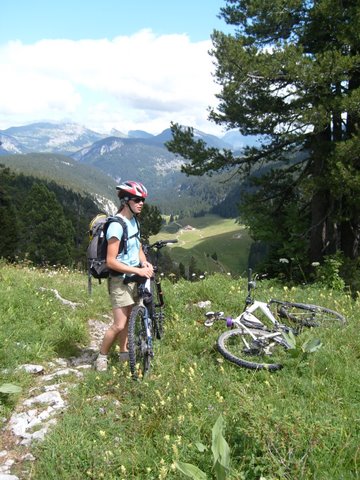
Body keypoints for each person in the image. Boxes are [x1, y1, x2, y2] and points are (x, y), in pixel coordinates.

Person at [94, 181, 153, 372]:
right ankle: (102, 357)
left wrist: (143, 262)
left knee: (129, 320)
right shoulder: (116, 226)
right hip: (119, 280)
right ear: (126, 201)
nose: (141, 203)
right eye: (137, 199)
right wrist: (137, 271)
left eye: (142, 200)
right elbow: (111, 261)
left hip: (133, 276)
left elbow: (137, 248)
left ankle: (123, 353)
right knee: (119, 324)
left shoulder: (134, 220)